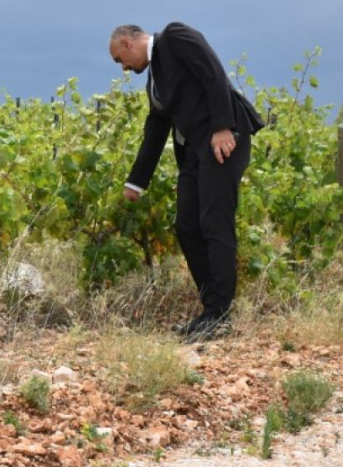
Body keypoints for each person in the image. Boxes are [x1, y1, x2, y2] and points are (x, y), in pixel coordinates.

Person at [109, 23, 264, 342]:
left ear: (127, 43)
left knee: (214, 224)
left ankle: (220, 316)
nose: (123, 68)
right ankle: (211, 312)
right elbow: (155, 129)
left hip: (224, 139)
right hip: (195, 151)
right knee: (187, 226)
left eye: (119, 59)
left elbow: (213, 74)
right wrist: (135, 184)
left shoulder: (175, 37)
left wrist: (223, 126)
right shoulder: (155, 80)